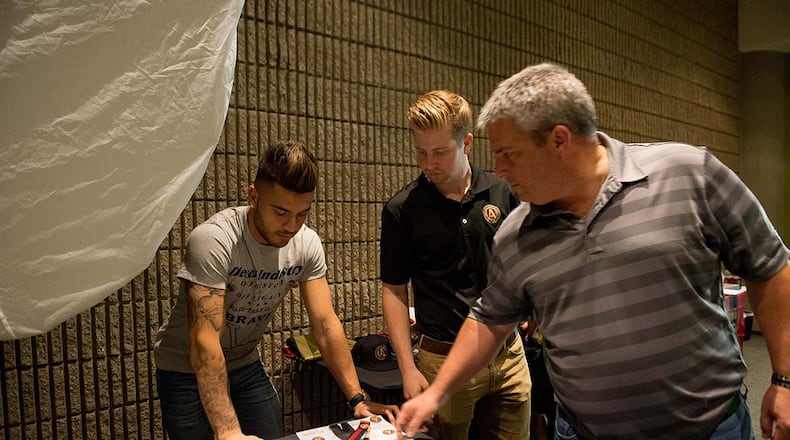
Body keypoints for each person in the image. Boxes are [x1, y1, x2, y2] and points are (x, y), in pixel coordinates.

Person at [395, 63, 790, 440]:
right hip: (581, 431)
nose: (498, 170)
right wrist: (437, 392)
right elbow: (489, 321)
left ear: (560, 140)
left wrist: (784, 378)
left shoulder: (688, 173)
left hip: (708, 429)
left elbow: (768, 265)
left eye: (509, 153)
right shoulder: (517, 232)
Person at [154, 140, 398, 440]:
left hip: (244, 363)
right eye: (280, 212)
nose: (291, 225)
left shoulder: (306, 244)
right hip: (184, 368)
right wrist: (229, 432)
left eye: (301, 214)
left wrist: (357, 399)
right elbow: (205, 342)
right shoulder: (213, 241)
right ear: (253, 196)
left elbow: (325, 324)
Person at [380, 90, 532, 439]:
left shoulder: (501, 191)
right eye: (421, 152)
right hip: (442, 360)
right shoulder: (402, 209)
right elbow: (394, 289)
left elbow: (521, 258)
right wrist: (407, 368)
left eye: (440, 152)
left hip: (508, 353)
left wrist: (531, 304)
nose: (429, 163)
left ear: (466, 143)